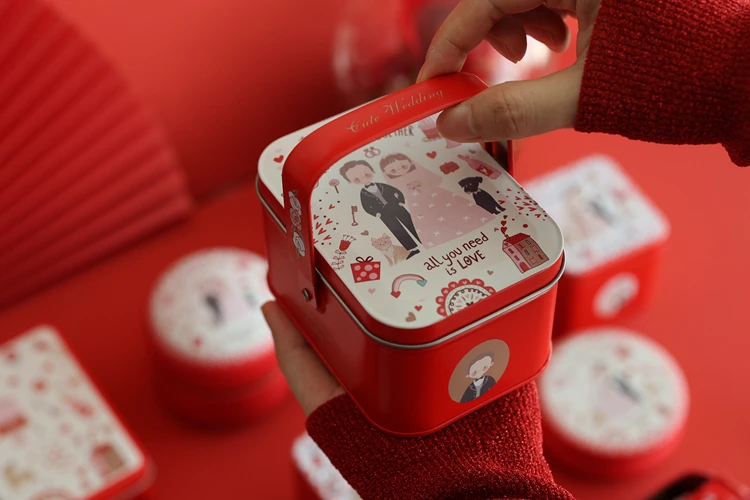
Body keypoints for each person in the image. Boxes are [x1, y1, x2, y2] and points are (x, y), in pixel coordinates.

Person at [263, 0, 750, 498]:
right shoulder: (359, 189)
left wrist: (463, 486)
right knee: (407, 239)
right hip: (389, 232)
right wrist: (731, 57)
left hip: (422, 219)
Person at [340, 159, 422, 259]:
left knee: (411, 223)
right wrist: (375, 213)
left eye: (366, 174)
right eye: (357, 179)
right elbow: (366, 206)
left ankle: (423, 239)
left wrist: (401, 201)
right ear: (350, 181)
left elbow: (396, 191)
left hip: (397, 207)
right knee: (398, 230)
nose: (363, 178)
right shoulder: (363, 193)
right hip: (384, 214)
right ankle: (413, 249)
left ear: (372, 171)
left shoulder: (382, 185)